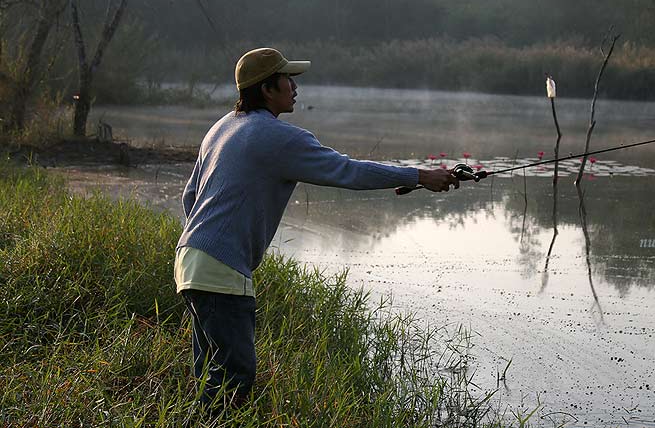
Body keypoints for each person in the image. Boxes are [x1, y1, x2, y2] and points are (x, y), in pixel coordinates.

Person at [174, 47, 458, 409]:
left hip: (189, 261)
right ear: (266, 89)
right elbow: (348, 170)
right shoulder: (279, 138)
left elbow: (190, 197)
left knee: (210, 377)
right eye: (287, 79)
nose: (295, 87)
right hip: (220, 269)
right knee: (234, 382)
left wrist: (205, 245)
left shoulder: (221, 128)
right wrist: (420, 174)